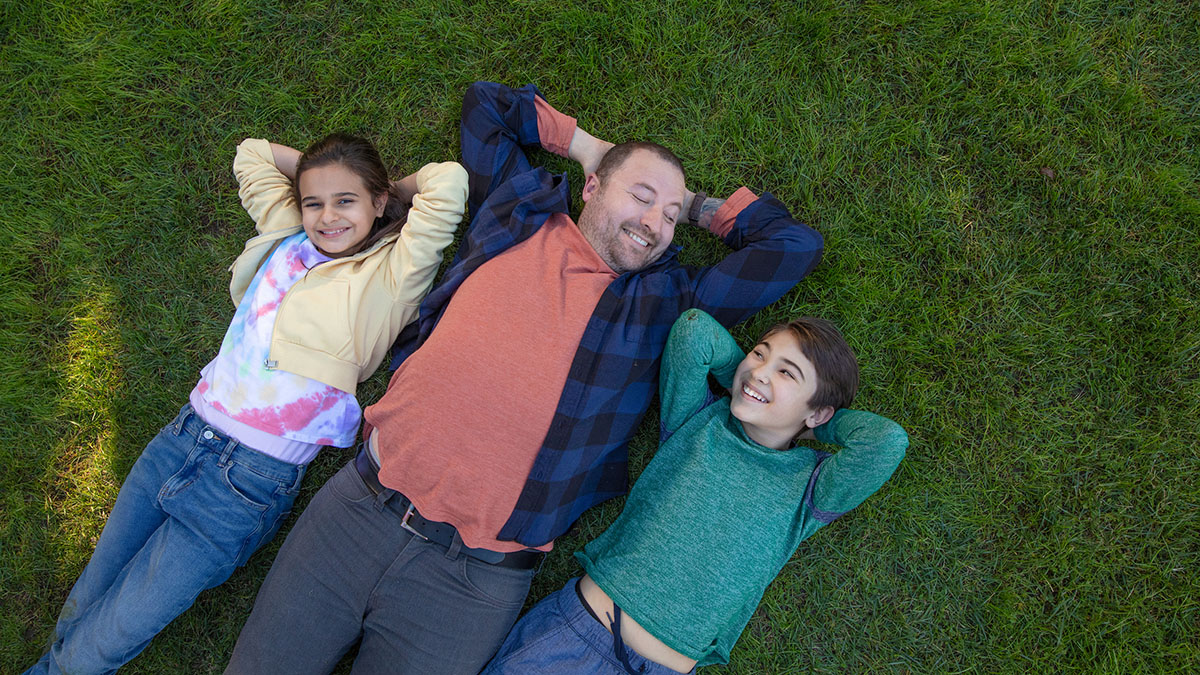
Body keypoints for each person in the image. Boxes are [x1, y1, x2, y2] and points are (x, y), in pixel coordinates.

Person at [225, 81, 824, 674]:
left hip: (471, 582)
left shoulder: (666, 302)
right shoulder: (517, 210)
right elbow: (486, 107)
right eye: (640, 195)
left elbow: (793, 246)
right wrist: (588, 145)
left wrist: (697, 209)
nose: (654, 222)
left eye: (668, 215)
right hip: (356, 513)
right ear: (592, 187)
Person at [24, 134, 468, 675]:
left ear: (377, 203)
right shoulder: (285, 232)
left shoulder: (391, 276)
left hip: (245, 484)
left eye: (345, 201)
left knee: (115, 628)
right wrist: (330, 181)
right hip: (182, 439)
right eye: (313, 201)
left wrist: (386, 194)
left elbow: (447, 183)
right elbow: (252, 153)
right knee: (86, 602)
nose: (327, 216)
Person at [484, 308, 909, 674]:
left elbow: (885, 442)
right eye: (759, 354)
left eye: (786, 372)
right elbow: (694, 331)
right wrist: (752, 387)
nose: (760, 370)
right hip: (574, 637)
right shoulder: (698, 421)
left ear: (818, 409)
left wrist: (815, 421)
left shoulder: (812, 489)